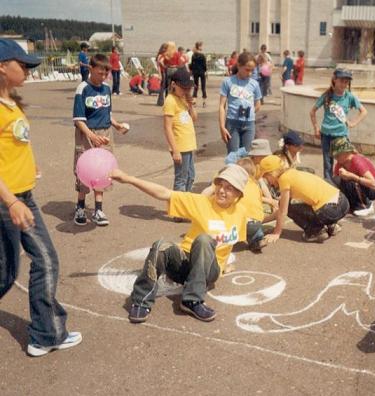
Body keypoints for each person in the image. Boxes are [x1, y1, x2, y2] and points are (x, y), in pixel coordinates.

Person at [0, 38, 82, 357]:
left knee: (43, 260)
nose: (30, 70)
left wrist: (30, 163)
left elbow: (16, 144)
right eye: (23, 65)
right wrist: (12, 202)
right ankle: (46, 334)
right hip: (9, 201)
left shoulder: (13, 103)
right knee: (7, 274)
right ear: (2, 68)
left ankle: (46, 334)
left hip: (22, 196)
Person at [110, 164, 249, 323]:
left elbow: (229, 245)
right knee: (161, 246)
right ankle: (141, 301)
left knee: (204, 239)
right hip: (184, 264)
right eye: (220, 185)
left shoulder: (241, 212)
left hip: (208, 270)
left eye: (229, 188)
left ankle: (192, 300)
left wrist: (223, 267)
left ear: (238, 193)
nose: (222, 190)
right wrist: (129, 179)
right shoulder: (201, 202)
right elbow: (164, 193)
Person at [72, 54, 129, 226]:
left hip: (105, 133)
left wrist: (117, 125)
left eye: (106, 74)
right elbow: (78, 119)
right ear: (91, 69)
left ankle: (98, 210)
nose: (103, 77)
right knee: (84, 169)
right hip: (87, 133)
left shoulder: (106, 88)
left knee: (102, 171)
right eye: (99, 73)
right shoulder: (82, 89)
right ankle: (80, 207)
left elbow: (107, 113)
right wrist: (91, 136)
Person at [259, 155, 349, 243]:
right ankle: (332, 225)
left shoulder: (284, 179)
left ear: (272, 173)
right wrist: (262, 221)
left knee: (291, 207)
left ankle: (316, 232)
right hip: (343, 202)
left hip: (330, 210)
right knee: (309, 203)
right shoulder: (293, 173)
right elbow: (280, 209)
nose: (268, 182)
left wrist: (276, 233)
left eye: (266, 178)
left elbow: (283, 210)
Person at [310, 68, 367, 182]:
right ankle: (329, 186)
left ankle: (345, 185)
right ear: (334, 80)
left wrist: (353, 123)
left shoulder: (349, 97)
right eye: (341, 81)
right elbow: (312, 111)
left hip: (341, 136)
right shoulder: (327, 95)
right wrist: (316, 128)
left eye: (346, 82)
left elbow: (363, 111)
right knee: (327, 163)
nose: (344, 84)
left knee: (345, 162)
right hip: (326, 135)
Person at [219, 52, 262, 154]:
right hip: (232, 123)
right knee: (233, 155)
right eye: (247, 70)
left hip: (249, 124)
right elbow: (222, 106)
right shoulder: (228, 82)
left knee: (246, 156)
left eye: (252, 70)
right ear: (238, 65)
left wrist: (250, 112)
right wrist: (222, 127)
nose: (250, 73)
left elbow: (258, 104)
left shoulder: (254, 84)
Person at [163, 68, 197, 194]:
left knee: (190, 177)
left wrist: (191, 104)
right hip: (180, 147)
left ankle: (184, 203)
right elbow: (167, 127)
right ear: (173, 84)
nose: (187, 91)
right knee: (181, 179)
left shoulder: (183, 99)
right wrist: (175, 150)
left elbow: (194, 119)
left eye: (189, 88)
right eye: (184, 88)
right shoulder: (170, 100)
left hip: (189, 146)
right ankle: (178, 209)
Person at [330, 137, 375, 217]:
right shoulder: (340, 163)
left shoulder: (357, 161)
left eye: (337, 155)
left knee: (350, 181)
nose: (336, 158)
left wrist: (353, 177)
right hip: (361, 186)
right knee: (337, 180)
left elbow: (373, 183)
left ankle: (366, 206)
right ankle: (350, 205)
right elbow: (335, 182)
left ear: (345, 152)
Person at [190, 41, 207, 106]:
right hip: (202, 72)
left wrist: (192, 70)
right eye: (201, 46)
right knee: (203, 87)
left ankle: (194, 101)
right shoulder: (202, 55)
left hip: (195, 72)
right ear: (199, 47)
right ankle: (204, 102)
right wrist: (205, 71)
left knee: (195, 86)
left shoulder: (193, 55)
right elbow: (204, 65)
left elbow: (192, 65)